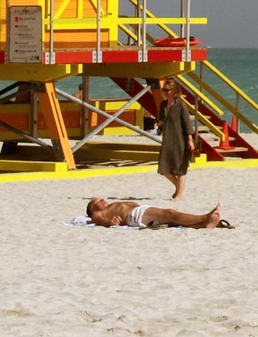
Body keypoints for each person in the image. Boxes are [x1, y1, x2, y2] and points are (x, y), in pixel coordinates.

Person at [156, 79, 195, 200]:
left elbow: (187, 124)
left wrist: (190, 140)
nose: (165, 92)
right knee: (164, 168)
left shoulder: (181, 105)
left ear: (174, 91)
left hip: (180, 140)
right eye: (163, 90)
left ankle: (179, 194)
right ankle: (179, 189)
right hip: (167, 139)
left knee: (180, 169)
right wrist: (159, 124)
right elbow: (160, 119)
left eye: (167, 90)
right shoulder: (163, 105)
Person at [85, 198, 229, 229]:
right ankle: (205, 217)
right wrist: (109, 223)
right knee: (171, 213)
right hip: (135, 215)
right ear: (93, 209)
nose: (103, 200)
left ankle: (204, 224)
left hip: (141, 212)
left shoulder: (111, 206)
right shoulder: (98, 213)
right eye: (98, 201)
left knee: (173, 220)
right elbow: (98, 220)